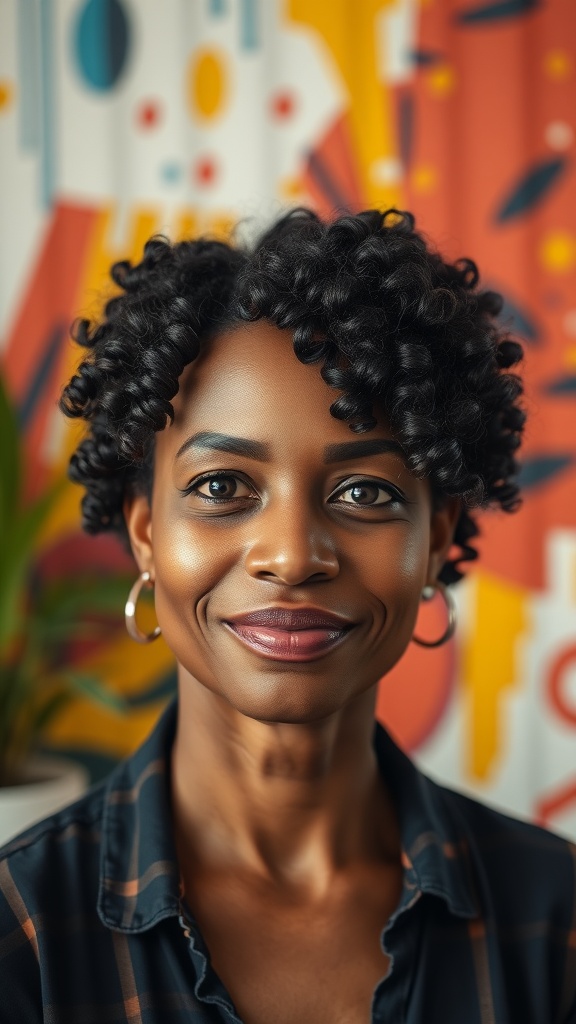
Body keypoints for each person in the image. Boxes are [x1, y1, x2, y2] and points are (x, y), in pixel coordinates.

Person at [0, 208, 574, 1024]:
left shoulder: (555, 923)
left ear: (437, 538)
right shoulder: (20, 933)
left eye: (364, 493)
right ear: (147, 532)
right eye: (222, 486)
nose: (293, 554)